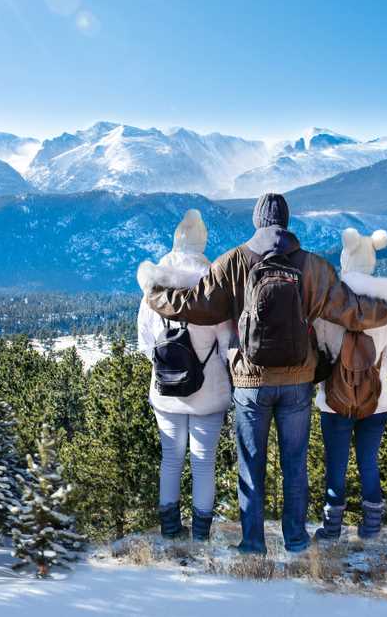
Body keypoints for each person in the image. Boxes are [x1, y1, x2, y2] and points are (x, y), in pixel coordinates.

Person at [138, 193, 387, 554]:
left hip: (250, 381)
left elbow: (195, 305)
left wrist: (154, 292)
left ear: (257, 221)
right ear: (287, 222)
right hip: (297, 381)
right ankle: (295, 539)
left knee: (251, 465)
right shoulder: (314, 266)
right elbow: (350, 311)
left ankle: (253, 543)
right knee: (295, 465)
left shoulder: (234, 262)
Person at [136, 209, 233, 541]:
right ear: (202, 243)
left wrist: (168, 367)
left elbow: (146, 342)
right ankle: (201, 535)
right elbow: (226, 344)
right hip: (209, 391)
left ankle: (170, 530)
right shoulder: (213, 290)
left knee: (171, 460)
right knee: (204, 464)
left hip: (166, 390)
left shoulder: (155, 289)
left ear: (175, 243)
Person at [312, 228, 387, 541]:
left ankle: (332, 528)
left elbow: (320, 347)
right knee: (368, 463)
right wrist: (375, 376)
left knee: (335, 465)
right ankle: (371, 528)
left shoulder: (330, 305)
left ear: (346, 259)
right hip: (376, 400)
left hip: (333, 399)